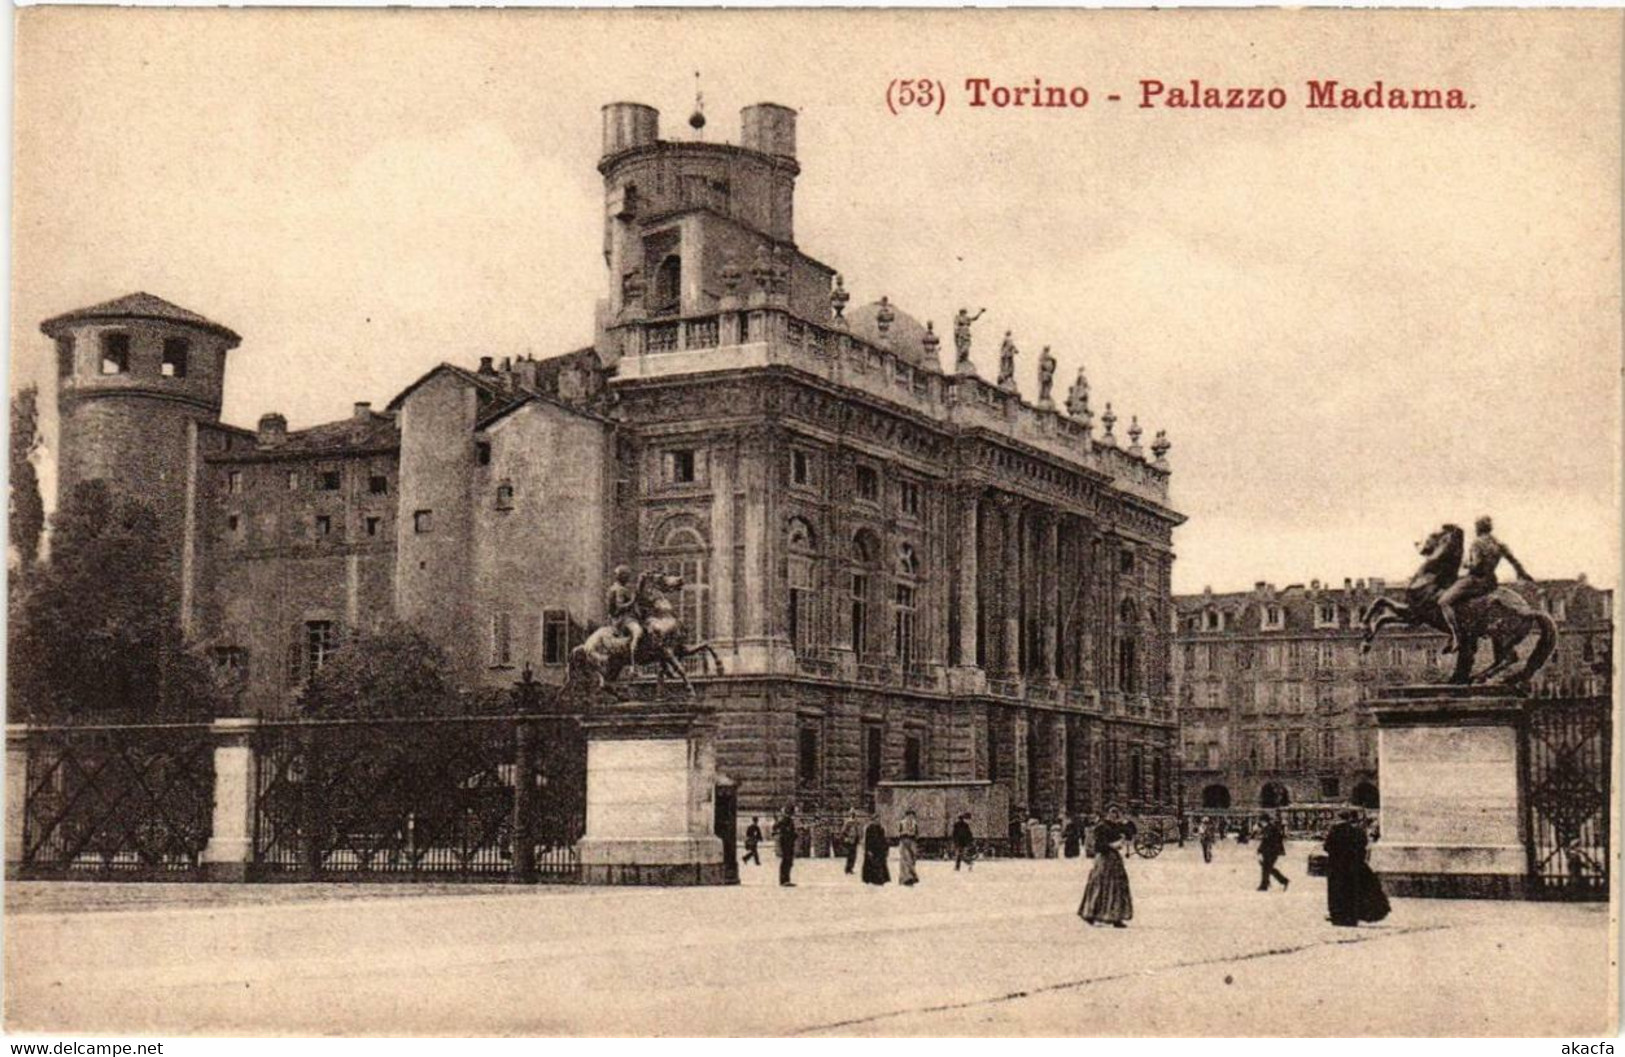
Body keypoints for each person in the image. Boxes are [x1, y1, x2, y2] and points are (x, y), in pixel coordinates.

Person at [1439, 515, 1532, 656]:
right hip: (1491, 582)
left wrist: (1465, 564)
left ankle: (1457, 636)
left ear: (1479, 528)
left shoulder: (1477, 543)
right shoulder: (1499, 544)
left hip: (1476, 580)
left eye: (1476, 526)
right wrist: (1522, 574)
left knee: (1444, 601)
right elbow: (1514, 562)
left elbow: (1476, 565)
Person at [1078, 806, 1134, 928]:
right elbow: (1098, 846)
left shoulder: (1117, 826)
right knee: (1100, 885)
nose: (1114, 815)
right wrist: (1112, 845)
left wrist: (1125, 823)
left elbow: (1130, 832)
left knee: (1118, 887)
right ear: (1106, 814)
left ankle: (1116, 917)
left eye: (1116, 812)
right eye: (1111, 812)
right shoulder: (1101, 827)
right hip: (1104, 859)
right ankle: (1091, 914)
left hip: (1115, 860)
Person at [1324, 810, 1367, 926]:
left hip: (1336, 865)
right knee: (1351, 890)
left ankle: (1337, 916)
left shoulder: (1334, 831)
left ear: (1339, 818)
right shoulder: (1356, 831)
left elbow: (1326, 847)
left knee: (1335, 890)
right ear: (1349, 818)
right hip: (1352, 865)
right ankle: (1351, 917)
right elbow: (1363, 845)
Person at [605, 565, 644, 661]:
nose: (628, 578)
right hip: (622, 620)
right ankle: (633, 662)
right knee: (638, 631)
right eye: (626, 576)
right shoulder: (618, 589)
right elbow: (620, 606)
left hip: (627, 618)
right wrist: (632, 601)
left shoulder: (621, 588)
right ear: (621, 576)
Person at [1257, 814, 1290, 892]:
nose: (1261, 823)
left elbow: (1269, 841)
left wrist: (1261, 850)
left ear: (1264, 821)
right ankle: (1267, 883)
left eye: (1261, 821)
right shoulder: (1267, 828)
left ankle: (1266, 884)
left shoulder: (1271, 828)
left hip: (1272, 852)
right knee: (1267, 868)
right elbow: (1265, 841)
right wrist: (1260, 850)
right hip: (1269, 851)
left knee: (1267, 868)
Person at [772, 803, 797, 887]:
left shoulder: (786, 819)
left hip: (788, 842)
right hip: (786, 842)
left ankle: (785, 879)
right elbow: (776, 827)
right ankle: (784, 879)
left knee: (788, 861)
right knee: (787, 861)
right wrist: (786, 832)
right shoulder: (785, 820)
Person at [862, 815, 891, 886]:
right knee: (871, 865)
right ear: (873, 820)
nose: (878, 821)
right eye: (876, 819)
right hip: (872, 849)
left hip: (880, 850)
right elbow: (867, 840)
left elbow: (884, 839)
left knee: (880, 865)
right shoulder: (869, 828)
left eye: (879, 819)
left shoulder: (881, 828)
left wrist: (886, 849)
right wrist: (868, 850)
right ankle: (871, 880)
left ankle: (880, 880)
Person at [897, 809, 921, 886]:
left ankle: (912, 876)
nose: (911, 817)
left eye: (912, 816)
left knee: (912, 859)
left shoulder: (915, 823)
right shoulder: (902, 823)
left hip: (912, 841)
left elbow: (917, 834)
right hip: (904, 841)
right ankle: (906, 878)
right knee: (905, 859)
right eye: (909, 815)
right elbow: (899, 833)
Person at [839, 808, 863, 876]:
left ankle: (850, 868)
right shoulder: (848, 823)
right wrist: (845, 838)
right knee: (850, 855)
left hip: (854, 840)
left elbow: (858, 831)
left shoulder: (855, 823)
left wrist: (859, 838)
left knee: (853, 855)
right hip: (850, 840)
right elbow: (843, 832)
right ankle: (848, 869)